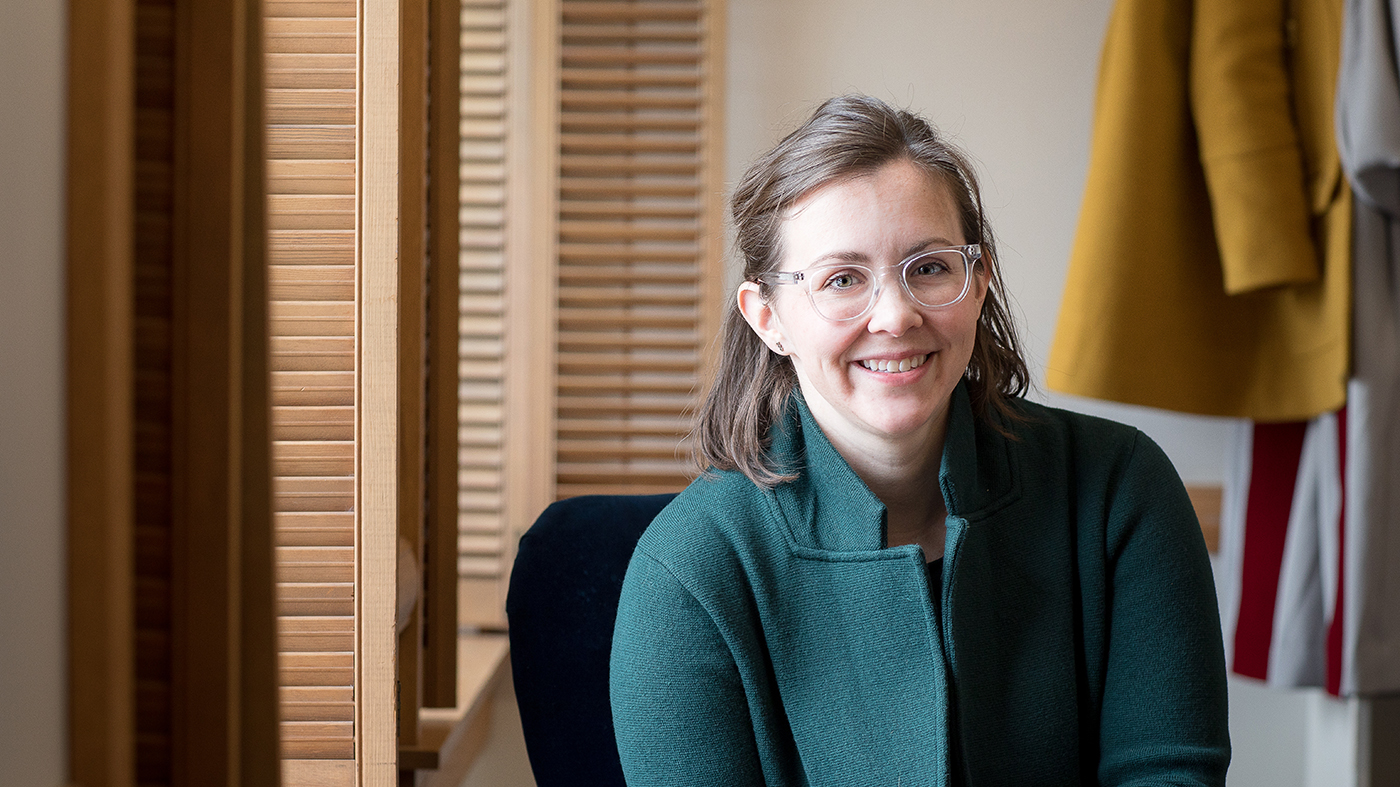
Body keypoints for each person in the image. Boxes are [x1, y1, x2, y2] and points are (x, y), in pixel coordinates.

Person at [608, 95, 1230, 786]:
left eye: (929, 267)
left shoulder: (1119, 488)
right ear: (768, 317)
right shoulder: (688, 569)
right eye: (842, 279)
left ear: (979, 280)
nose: (896, 316)